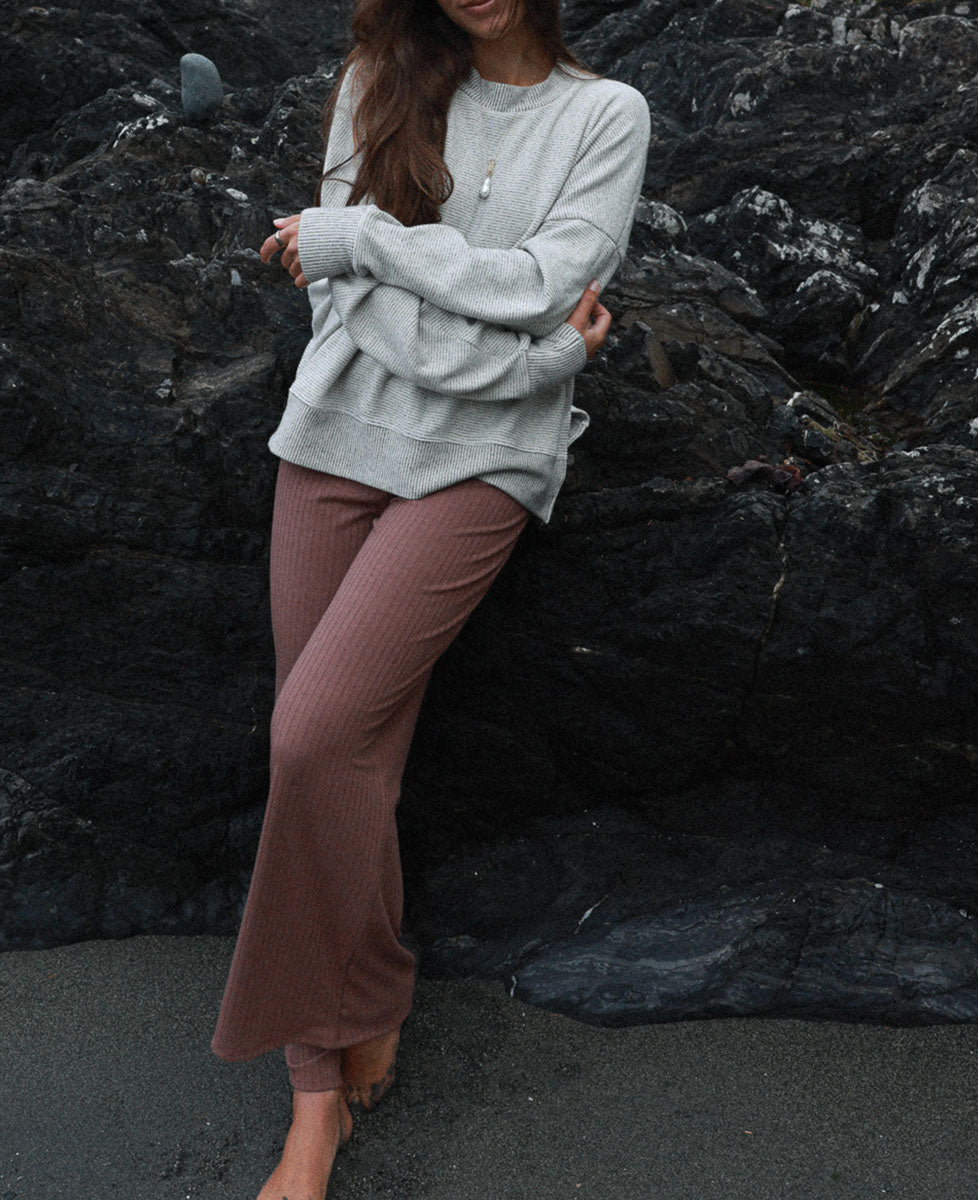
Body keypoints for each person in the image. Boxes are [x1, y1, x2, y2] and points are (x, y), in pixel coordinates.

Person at [211, 0, 650, 1195]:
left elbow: (545, 282)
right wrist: (531, 357)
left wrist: (365, 240)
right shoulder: (380, 77)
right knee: (343, 759)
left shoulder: (605, 116)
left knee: (311, 734)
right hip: (333, 432)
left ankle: (319, 1092)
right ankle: (335, 1047)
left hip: (486, 463)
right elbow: (351, 302)